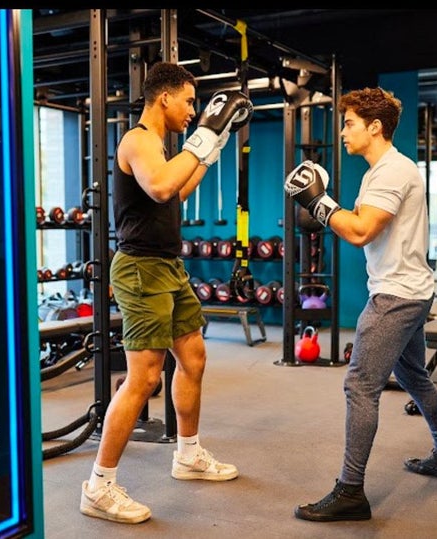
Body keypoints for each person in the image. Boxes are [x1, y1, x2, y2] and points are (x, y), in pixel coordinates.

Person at [79, 62, 253, 524]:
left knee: (193, 357)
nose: (193, 111)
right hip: (140, 269)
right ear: (165, 97)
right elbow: (159, 187)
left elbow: (177, 190)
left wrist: (213, 144)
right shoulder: (138, 141)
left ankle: (188, 454)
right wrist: (204, 134)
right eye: (189, 101)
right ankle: (99, 487)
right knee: (144, 377)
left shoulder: (160, 147)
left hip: (168, 266)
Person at [283, 87, 437, 522]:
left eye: (349, 124)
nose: (343, 132)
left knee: (360, 385)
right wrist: (325, 209)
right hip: (410, 289)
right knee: (416, 377)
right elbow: (356, 225)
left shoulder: (392, 172)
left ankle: (351, 491)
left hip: (395, 295)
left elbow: (361, 231)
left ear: (375, 127)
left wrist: (318, 201)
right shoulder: (378, 172)